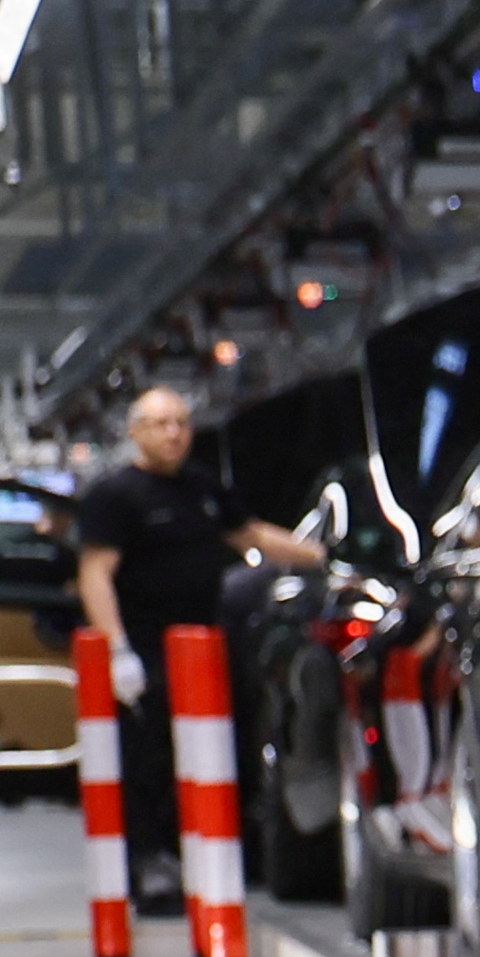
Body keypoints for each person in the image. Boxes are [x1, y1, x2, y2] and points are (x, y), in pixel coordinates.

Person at [69, 383, 320, 915]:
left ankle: (209, 858)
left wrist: (323, 556)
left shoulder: (203, 487)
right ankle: (151, 864)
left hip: (204, 652)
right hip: (145, 650)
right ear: (135, 431)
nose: (174, 433)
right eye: (161, 423)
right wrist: (117, 651)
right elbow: (95, 576)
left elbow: (250, 535)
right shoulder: (115, 496)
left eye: (181, 422)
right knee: (146, 762)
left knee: (210, 755)